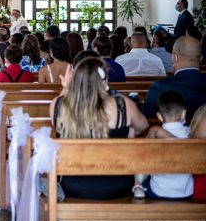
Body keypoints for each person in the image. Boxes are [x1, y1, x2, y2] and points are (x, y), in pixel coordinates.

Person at [50, 58, 149, 199]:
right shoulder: (122, 104)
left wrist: (66, 88)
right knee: (131, 131)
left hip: (72, 185)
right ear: (104, 81)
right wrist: (128, 132)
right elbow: (143, 126)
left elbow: (57, 120)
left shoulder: (58, 105)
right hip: (118, 185)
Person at [133, 91, 193, 200]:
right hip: (186, 192)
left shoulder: (154, 134)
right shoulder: (191, 133)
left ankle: (138, 186)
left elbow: (142, 157)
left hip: (158, 191)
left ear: (159, 116)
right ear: (184, 113)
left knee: (140, 155)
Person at [143, 36, 206, 122]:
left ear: (174, 58)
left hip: (168, 135)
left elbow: (147, 120)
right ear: (201, 58)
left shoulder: (158, 88)